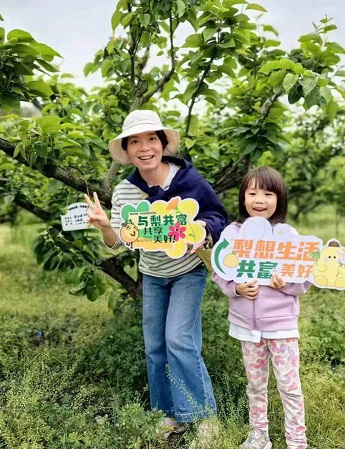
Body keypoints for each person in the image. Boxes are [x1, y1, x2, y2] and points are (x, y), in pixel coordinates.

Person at [84, 110, 228, 437]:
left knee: (179, 339)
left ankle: (204, 417)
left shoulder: (187, 180)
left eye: (151, 139)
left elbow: (216, 214)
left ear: (162, 144)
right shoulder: (124, 191)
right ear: (127, 149)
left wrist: (203, 228)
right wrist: (107, 226)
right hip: (152, 274)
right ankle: (168, 415)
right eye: (135, 141)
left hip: (187, 272)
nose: (144, 147)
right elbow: (119, 242)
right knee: (154, 347)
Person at [212, 167, 310, 449]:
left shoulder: (287, 235)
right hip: (247, 327)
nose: (260, 199)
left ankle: (297, 440)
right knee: (255, 385)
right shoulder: (232, 233)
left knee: (289, 386)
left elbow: (304, 278)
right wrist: (236, 288)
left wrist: (286, 285)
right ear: (243, 197)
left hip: (282, 326)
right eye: (252, 192)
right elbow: (220, 271)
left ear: (279, 199)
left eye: (268, 193)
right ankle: (259, 435)